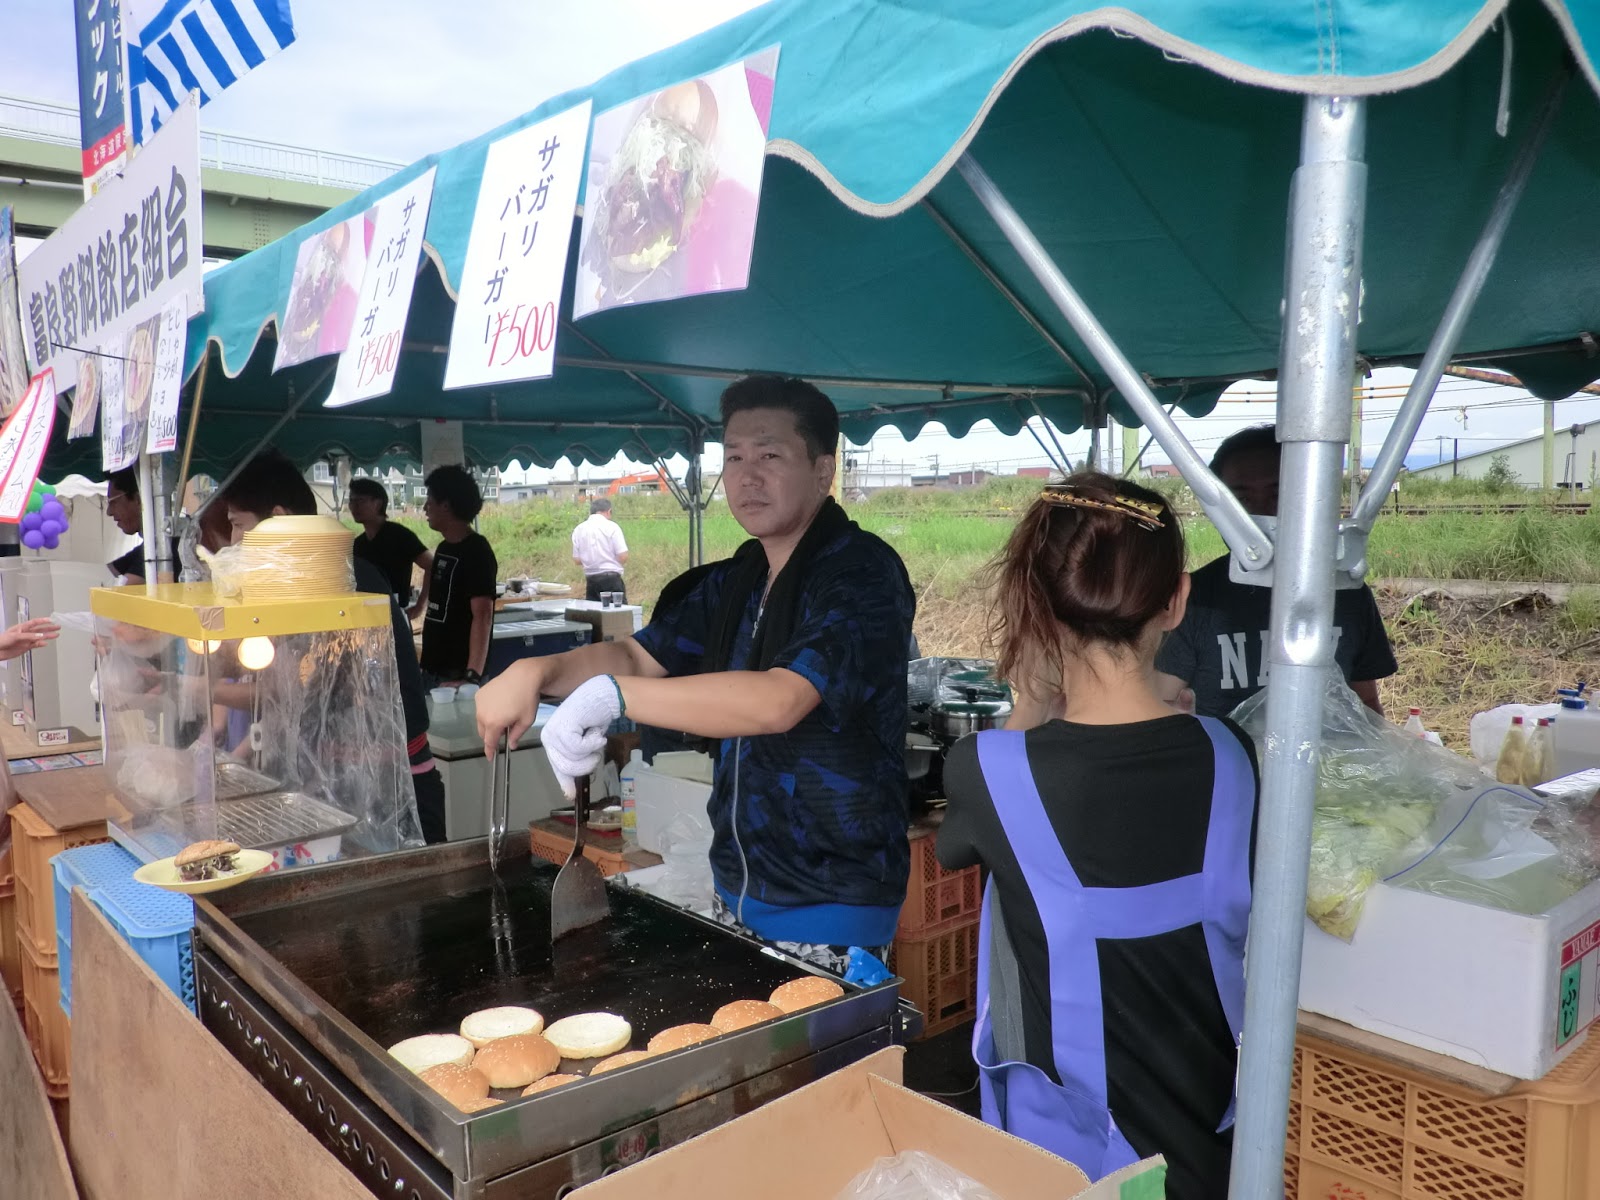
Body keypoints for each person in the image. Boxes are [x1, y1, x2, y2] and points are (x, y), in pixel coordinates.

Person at [475, 375, 916, 972]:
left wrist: (611, 698)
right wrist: (538, 669)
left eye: (769, 455)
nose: (746, 475)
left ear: (822, 470)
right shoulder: (740, 578)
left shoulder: (862, 575)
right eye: (733, 457)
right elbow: (637, 657)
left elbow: (777, 701)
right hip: (736, 882)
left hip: (830, 901)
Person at [937, 472, 1258, 1197]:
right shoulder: (1230, 753)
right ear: (1176, 598)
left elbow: (956, 848)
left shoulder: (989, 768)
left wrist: (1029, 702)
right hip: (1216, 1135)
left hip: (1075, 1161)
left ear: (1036, 606)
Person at [221, 450, 446, 844]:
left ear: (279, 518)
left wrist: (200, 690)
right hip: (343, 785)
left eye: (239, 526)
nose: (234, 541)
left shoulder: (344, 582)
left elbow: (286, 686)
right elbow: (294, 698)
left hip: (392, 788)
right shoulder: (296, 588)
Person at [1155, 425, 1397, 718]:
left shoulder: (1347, 592)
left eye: (1278, 495)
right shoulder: (1193, 599)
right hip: (1226, 763)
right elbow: (1162, 703)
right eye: (1242, 500)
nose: (1261, 514)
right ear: (1219, 510)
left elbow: (1367, 704)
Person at [420, 466, 497, 686]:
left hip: (459, 675)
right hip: (434, 668)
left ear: (446, 506)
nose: (425, 508)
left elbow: (483, 616)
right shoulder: (444, 547)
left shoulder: (476, 551)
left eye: (430, 501)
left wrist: (471, 676)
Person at [349, 477, 431, 620]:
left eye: (360, 501)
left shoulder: (400, 535)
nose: (354, 506)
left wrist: (420, 606)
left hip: (396, 612)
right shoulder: (358, 543)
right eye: (351, 501)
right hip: (366, 613)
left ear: (378, 503)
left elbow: (431, 565)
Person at [571, 497, 629, 603]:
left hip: (591, 581)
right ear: (609, 511)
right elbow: (623, 556)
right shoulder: (612, 527)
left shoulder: (578, 529)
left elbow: (577, 560)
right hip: (611, 580)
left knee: (595, 616)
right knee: (618, 616)